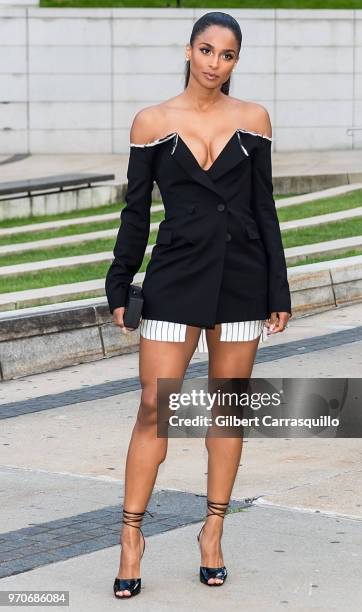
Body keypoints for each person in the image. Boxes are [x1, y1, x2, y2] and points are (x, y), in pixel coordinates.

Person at [105, 10, 292, 599]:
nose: (216, 63)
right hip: (176, 278)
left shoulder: (254, 120)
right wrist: (120, 284)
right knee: (153, 411)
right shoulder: (152, 122)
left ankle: (213, 533)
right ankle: (131, 536)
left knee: (227, 411)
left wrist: (278, 289)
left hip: (242, 280)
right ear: (188, 51)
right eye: (207, 51)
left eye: (228, 55)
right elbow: (136, 212)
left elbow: (264, 208)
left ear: (237, 61)